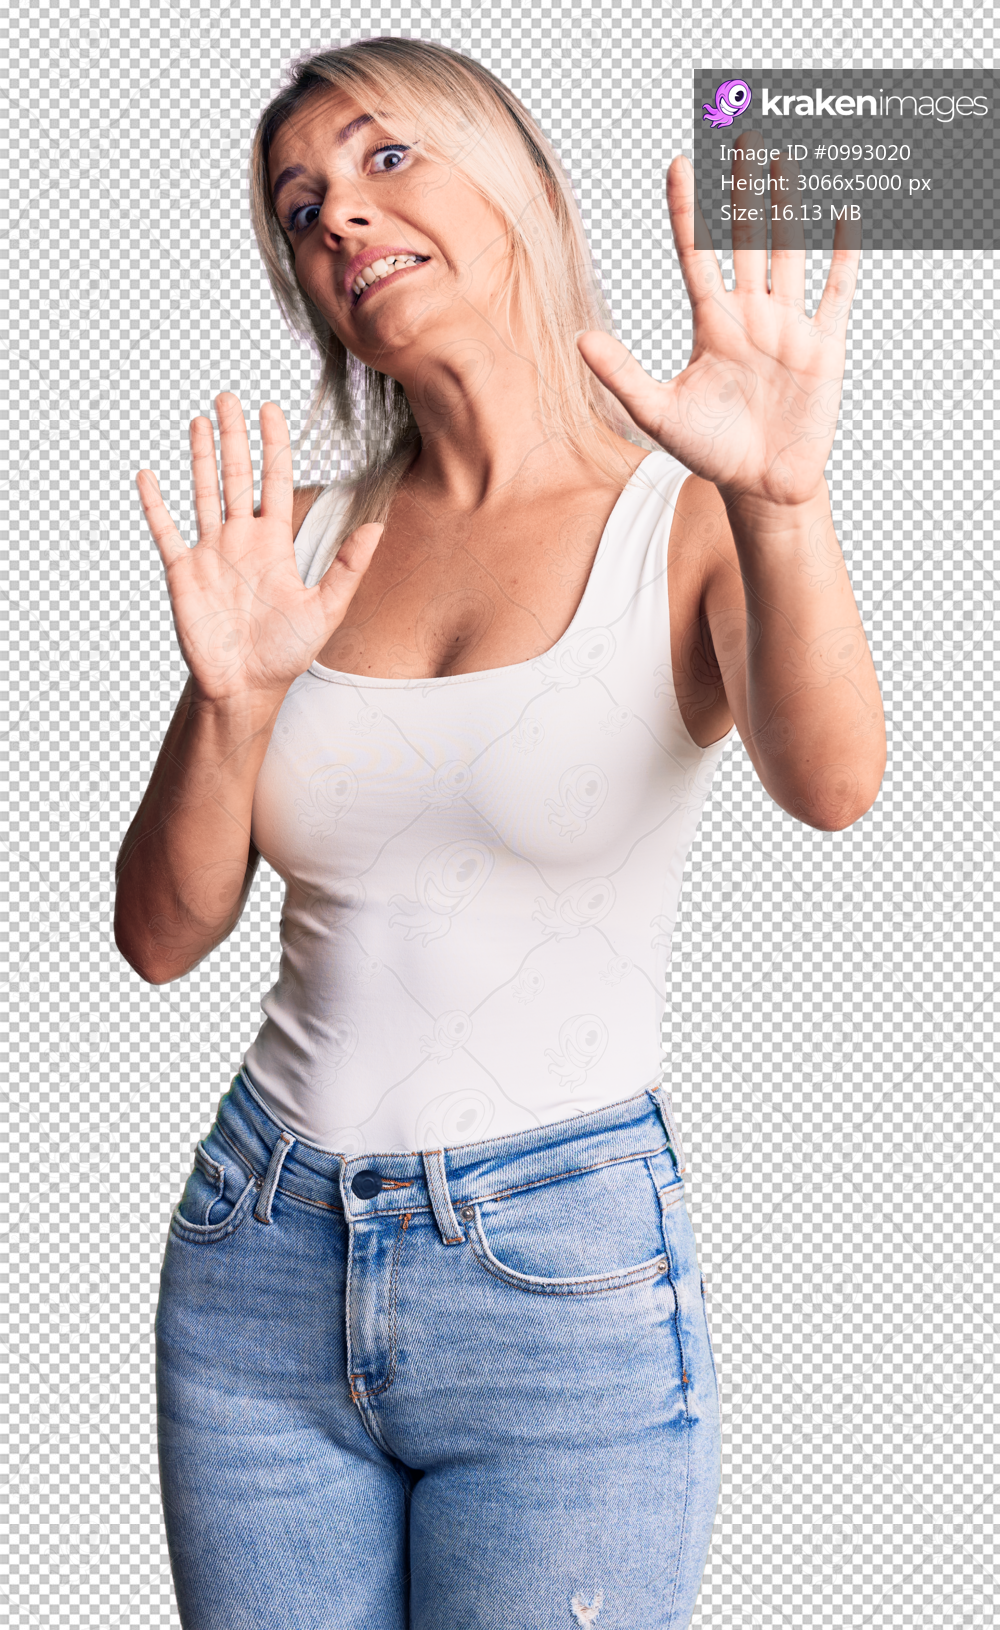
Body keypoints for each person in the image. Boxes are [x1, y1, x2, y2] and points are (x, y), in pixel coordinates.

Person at [115, 36, 886, 1630]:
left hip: (559, 1277)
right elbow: (159, 934)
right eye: (300, 201)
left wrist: (785, 509)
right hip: (259, 1255)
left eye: (388, 158)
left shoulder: (683, 519)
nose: (339, 214)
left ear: (523, 186)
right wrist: (230, 698)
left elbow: (833, 782)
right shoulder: (303, 543)